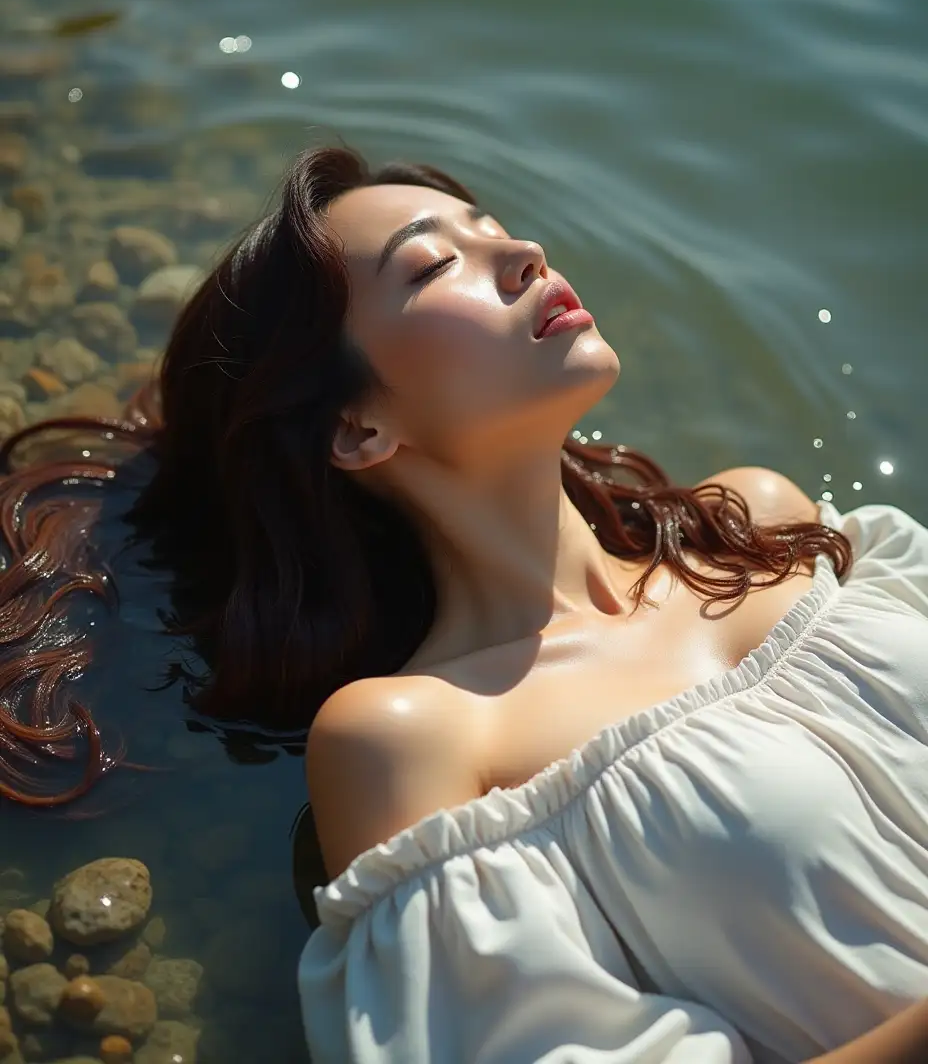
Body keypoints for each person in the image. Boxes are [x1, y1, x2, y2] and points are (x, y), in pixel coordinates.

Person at [1, 146, 926, 1061]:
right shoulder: (413, 738)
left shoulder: (757, 528)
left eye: (496, 231)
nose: (524, 251)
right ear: (359, 428)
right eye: (436, 262)